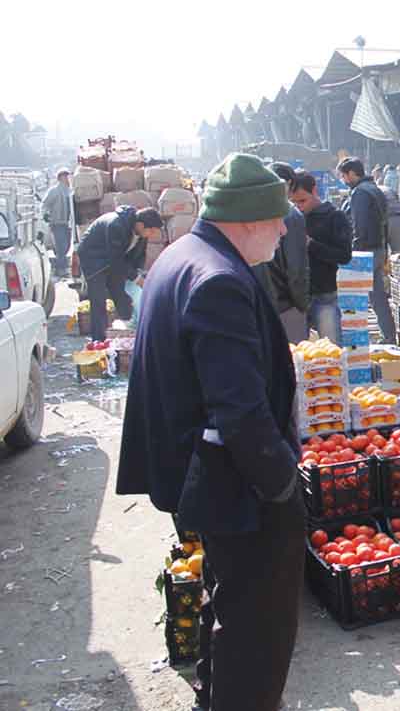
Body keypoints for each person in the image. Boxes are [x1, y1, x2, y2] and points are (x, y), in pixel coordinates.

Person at [117, 152, 304, 711]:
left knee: (230, 611)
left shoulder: (183, 256)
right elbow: (239, 411)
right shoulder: (218, 280)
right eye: (278, 219)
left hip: (201, 472)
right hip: (235, 486)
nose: (282, 230)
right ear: (249, 219)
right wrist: (280, 483)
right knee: (258, 634)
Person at [76, 206, 163, 340]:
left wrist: (138, 273)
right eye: (151, 231)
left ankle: (127, 333)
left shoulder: (141, 232)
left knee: (121, 293)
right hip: (93, 258)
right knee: (98, 300)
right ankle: (99, 340)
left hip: (113, 259)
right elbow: (116, 260)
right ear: (140, 225)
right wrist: (136, 278)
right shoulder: (116, 225)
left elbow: (138, 257)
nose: (151, 235)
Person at [288, 171, 351, 344]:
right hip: (295, 297)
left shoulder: (334, 217)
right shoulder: (290, 219)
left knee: (331, 352)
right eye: (293, 202)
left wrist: (311, 244)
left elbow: (344, 255)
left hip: (324, 293)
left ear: (314, 191)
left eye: (302, 200)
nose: (299, 206)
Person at [338, 157, 396, 343]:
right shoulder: (375, 189)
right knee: (377, 295)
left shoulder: (359, 193)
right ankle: (388, 335)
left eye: (344, 176)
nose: (343, 180)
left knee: (356, 299)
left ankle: (357, 341)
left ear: (352, 174)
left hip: (364, 250)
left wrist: (354, 253)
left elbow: (359, 226)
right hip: (378, 248)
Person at [252, 163, 310, 343]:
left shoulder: (251, 213)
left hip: (260, 303)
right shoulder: (291, 215)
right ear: (289, 184)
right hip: (286, 305)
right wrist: (303, 304)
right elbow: (296, 268)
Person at [43, 167, 73, 276]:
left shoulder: (69, 191)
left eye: (67, 176)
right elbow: (45, 204)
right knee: (62, 246)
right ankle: (61, 269)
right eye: (65, 176)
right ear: (60, 178)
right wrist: (46, 214)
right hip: (57, 223)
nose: (67, 178)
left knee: (67, 246)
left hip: (67, 224)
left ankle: (57, 265)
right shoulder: (54, 191)